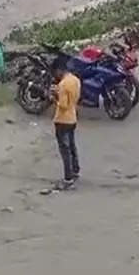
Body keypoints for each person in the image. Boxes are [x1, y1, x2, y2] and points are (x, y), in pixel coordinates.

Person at [51, 59, 81, 190]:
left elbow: (63, 105)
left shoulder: (63, 84)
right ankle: (75, 170)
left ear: (59, 70)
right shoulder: (75, 80)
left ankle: (68, 179)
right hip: (73, 117)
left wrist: (54, 97)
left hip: (62, 120)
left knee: (65, 150)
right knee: (72, 146)